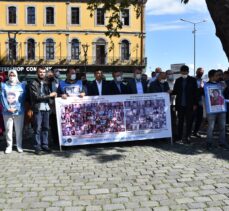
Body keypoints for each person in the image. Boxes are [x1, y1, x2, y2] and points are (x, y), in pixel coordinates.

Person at [30, 66, 57, 155]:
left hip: (46, 108)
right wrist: (49, 95)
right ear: (37, 73)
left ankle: (45, 145)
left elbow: (54, 84)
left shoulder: (46, 82)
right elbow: (36, 97)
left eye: (43, 72)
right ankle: (37, 147)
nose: (42, 73)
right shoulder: (33, 83)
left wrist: (52, 97)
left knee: (46, 128)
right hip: (38, 108)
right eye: (40, 72)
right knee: (37, 128)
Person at [0, 70, 26, 153]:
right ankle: (9, 146)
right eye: (10, 75)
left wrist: (17, 108)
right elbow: (2, 97)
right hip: (7, 111)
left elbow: (23, 98)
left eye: (13, 75)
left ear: (16, 75)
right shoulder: (3, 85)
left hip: (19, 111)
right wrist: (7, 107)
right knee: (8, 129)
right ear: (8, 76)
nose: (12, 76)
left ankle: (19, 145)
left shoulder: (22, 85)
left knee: (19, 130)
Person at [173, 65, 198, 143]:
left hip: (190, 105)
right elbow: (175, 91)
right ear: (180, 72)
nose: (184, 73)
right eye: (182, 71)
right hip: (180, 105)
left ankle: (188, 136)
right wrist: (169, 92)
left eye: (185, 71)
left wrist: (195, 104)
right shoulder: (178, 80)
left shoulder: (193, 80)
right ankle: (179, 137)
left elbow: (195, 93)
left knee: (189, 122)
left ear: (188, 71)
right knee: (180, 122)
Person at [205, 69, 229, 149]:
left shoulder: (221, 84)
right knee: (211, 127)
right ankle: (209, 143)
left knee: (222, 127)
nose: (218, 76)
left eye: (219, 75)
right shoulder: (206, 85)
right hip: (211, 111)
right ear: (212, 76)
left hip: (222, 109)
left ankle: (222, 142)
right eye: (216, 75)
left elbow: (224, 95)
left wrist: (225, 87)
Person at [192, 67, 205, 138]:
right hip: (192, 101)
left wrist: (202, 89)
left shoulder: (203, 81)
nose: (201, 73)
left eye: (202, 72)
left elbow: (204, 92)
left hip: (200, 102)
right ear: (196, 72)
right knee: (191, 118)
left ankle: (195, 132)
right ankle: (188, 133)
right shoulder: (192, 80)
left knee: (199, 118)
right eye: (200, 71)